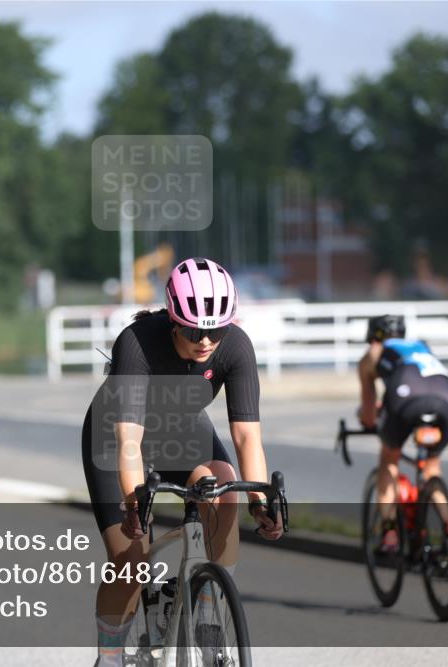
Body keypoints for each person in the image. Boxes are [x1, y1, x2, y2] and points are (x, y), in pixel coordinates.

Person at [82, 257, 283, 666]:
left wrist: (261, 500)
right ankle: (110, 655)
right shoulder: (137, 344)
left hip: (182, 429)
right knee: (131, 561)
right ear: (174, 320)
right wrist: (134, 503)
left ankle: (207, 608)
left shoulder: (236, 346)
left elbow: (246, 436)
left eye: (217, 330)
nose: (206, 340)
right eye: (194, 330)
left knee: (225, 486)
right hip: (116, 437)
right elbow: (129, 442)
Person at [357, 314, 448, 550]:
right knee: (431, 469)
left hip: (406, 397)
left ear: (373, 338)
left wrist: (368, 420)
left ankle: (389, 531)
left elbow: (369, 413)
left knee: (389, 459)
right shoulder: (421, 347)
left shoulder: (374, 352)